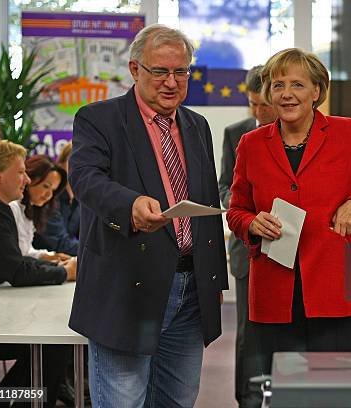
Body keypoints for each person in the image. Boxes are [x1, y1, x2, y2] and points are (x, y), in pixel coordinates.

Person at [226, 48, 351, 407]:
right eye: (278, 86)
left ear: (316, 92)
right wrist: (252, 223)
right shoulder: (251, 144)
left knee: (336, 393)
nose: (286, 94)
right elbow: (236, 210)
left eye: (297, 85)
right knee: (288, 395)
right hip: (276, 291)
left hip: (336, 285)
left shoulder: (347, 133)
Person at [68, 24, 228, 408]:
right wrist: (130, 205)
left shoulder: (197, 125)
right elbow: (85, 178)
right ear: (135, 69)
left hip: (191, 292)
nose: (172, 82)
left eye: (181, 72)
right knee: (123, 401)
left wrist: (214, 280)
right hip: (126, 288)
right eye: (160, 72)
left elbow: (206, 204)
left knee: (178, 400)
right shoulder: (98, 118)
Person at [0, 138, 73, 407]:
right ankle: (0, 403)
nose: (26, 179)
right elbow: (17, 270)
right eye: (20, 172)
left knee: (53, 344)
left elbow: (16, 261)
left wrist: (57, 268)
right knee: (54, 344)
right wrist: (64, 273)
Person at [218, 65, 277, 408]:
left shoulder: (297, 133)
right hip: (247, 248)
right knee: (249, 334)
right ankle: (248, 400)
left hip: (291, 249)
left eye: (263, 105)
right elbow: (225, 184)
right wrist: (245, 212)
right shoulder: (235, 134)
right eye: (252, 104)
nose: (257, 112)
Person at [9, 155, 76, 274]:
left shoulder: (31, 209)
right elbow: (15, 260)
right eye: (46, 186)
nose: (48, 195)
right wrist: (61, 270)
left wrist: (48, 256)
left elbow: (26, 251)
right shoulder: (12, 206)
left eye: (53, 191)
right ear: (29, 178)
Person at [34, 142, 80, 256]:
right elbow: (61, 244)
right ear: (61, 163)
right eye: (76, 159)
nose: (81, 166)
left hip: (63, 260)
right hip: (41, 262)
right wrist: (99, 251)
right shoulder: (49, 197)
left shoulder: (81, 199)